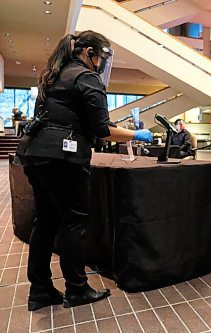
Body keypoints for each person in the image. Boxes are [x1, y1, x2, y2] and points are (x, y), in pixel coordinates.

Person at [16, 31, 153, 311]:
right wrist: (137, 135)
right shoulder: (86, 77)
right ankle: (77, 288)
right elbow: (102, 130)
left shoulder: (54, 75)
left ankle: (40, 290)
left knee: (45, 222)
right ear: (88, 52)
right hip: (63, 157)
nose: (102, 63)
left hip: (34, 153)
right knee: (73, 222)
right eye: (101, 57)